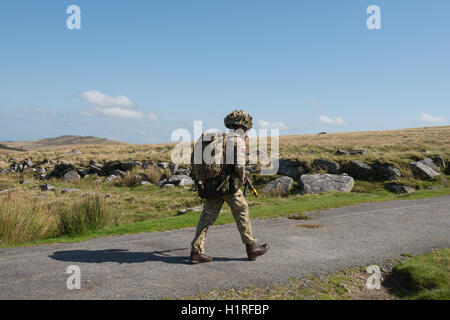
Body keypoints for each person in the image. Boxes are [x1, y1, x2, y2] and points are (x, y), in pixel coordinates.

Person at [189, 110, 269, 264]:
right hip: (228, 187)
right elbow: (239, 165)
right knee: (242, 210)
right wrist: (242, 178)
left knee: (207, 217)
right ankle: (251, 247)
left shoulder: (217, 139)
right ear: (244, 126)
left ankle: (196, 251)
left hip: (210, 185)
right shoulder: (237, 140)